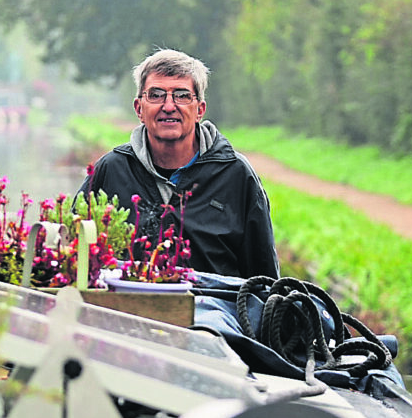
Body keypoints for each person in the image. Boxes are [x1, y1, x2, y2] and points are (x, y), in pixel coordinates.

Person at [78, 48, 279, 280]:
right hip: (125, 308)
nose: (169, 106)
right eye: (156, 95)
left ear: (199, 110)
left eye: (182, 95)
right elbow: (77, 258)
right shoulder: (111, 171)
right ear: (139, 109)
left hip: (215, 310)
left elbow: (263, 279)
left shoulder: (236, 175)